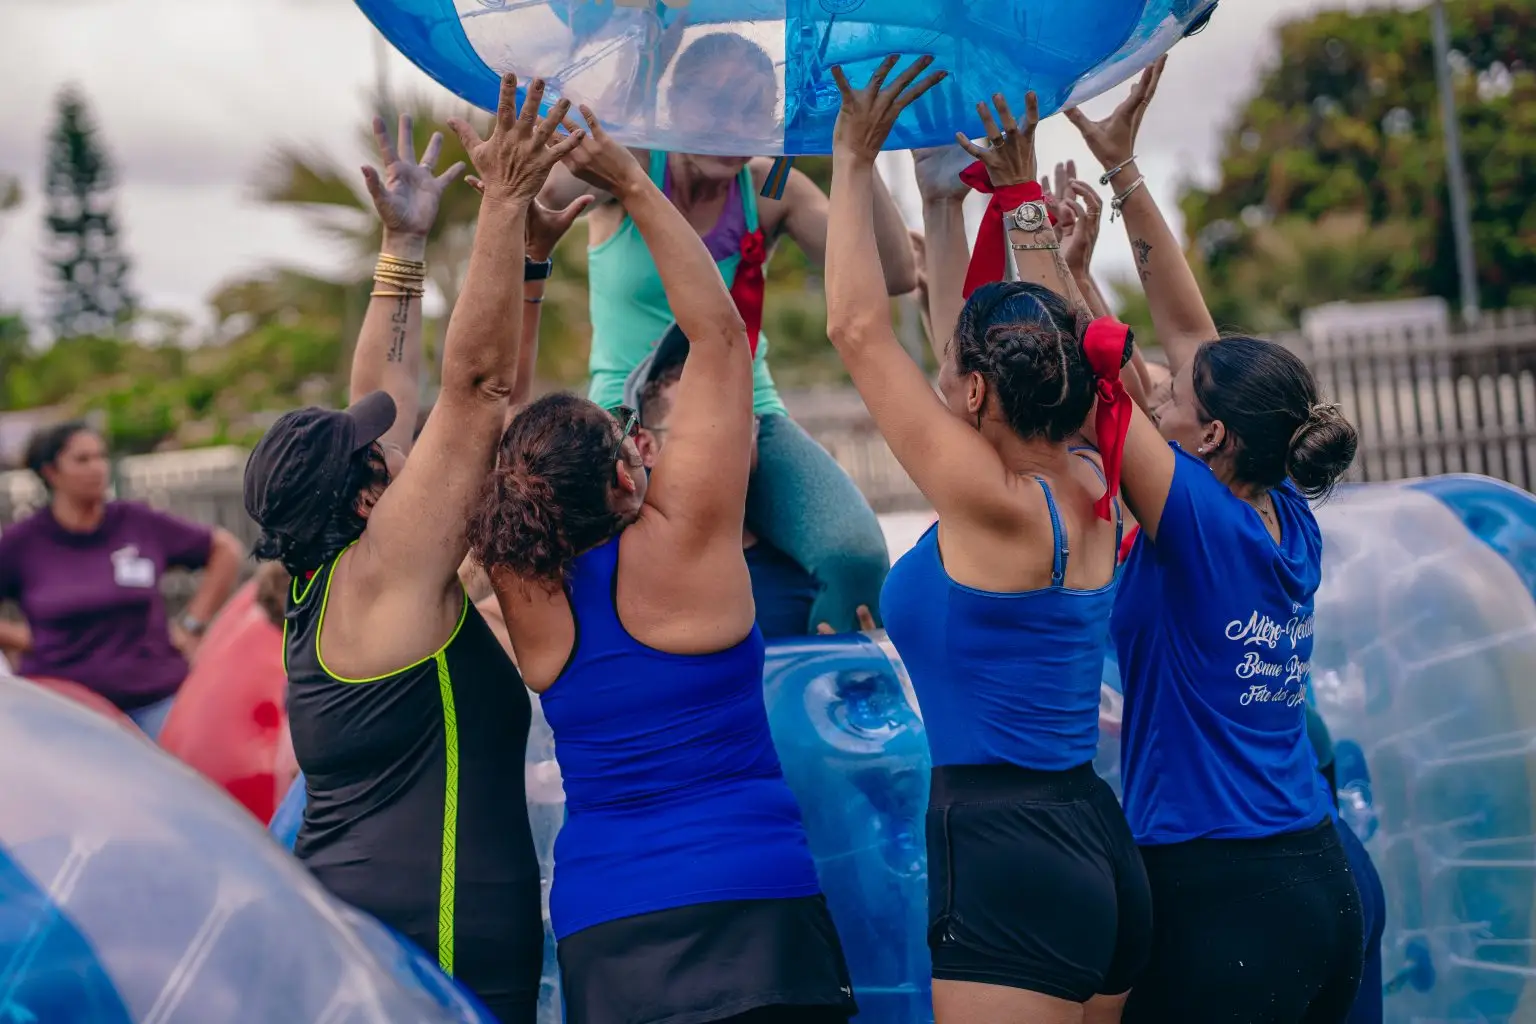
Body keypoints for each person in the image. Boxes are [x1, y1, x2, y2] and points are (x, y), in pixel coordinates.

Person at [470, 105, 855, 1024]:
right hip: (753, 898)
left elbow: (487, 409)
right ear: (624, 467)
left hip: (608, 927)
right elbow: (721, 338)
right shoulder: (689, 542)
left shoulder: (530, 588)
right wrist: (637, 183)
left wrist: (526, 266)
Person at [242, 77, 583, 1022]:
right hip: (433, 940)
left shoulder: (325, 582)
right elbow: (474, 391)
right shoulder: (386, 574)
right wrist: (503, 202)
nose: (392, 454)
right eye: (373, 460)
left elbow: (389, 397)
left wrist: (404, 244)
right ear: (362, 498)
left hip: (360, 923)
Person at [825, 60, 1152, 1023]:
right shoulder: (1097, 477)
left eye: (956, 374)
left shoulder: (999, 503)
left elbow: (855, 327)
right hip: (1096, 841)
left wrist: (851, 160)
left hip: (1007, 857)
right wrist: (1019, 208)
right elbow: (1056, 343)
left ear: (974, 395)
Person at [1066, 58, 1366, 1020]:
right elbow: (1193, 343)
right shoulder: (1287, 516)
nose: (1162, 383)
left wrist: (1027, 203)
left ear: (1211, 438)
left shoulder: (1194, 518)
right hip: (1318, 878)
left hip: (1221, 895)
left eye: (1175, 399)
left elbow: (1097, 379)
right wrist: (1125, 173)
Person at [538, 31, 908, 634]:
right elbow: (553, 192)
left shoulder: (769, 187)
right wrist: (648, 48)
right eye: (717, 105)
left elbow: (895, 275)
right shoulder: (628, 168)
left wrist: (855, 151)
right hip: (624, 418)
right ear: (674, 104)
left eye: (752, 111)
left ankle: (813, 705)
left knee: (855, 556)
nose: (734, 125)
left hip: (747, 411)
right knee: (605, 570)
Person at [0, 421, 242, 739]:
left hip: (155, 698)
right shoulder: (25, 541)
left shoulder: (137, 522)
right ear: (51, 472)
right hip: (63, 710)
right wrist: (25, 638)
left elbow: (224, 550)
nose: (97, 468)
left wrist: (193, 626)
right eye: (82, 460)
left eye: (101, 457)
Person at [622, 323, 821, 639]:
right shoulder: (620, 579)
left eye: (738, 420)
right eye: (698, 429)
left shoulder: (810, 572)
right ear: (646, 448)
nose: (724, 437)